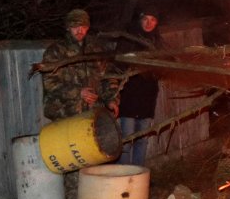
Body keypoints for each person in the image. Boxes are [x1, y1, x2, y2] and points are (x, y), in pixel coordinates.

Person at [40, 9, 119, 122]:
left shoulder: (96, 50)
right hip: (65, 113)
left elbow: (108, 76)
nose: (80, 30)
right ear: (68, 27)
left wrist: (111, 99)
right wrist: (78, 92)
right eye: (75, 26)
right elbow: (50, 84)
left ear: (88, 27)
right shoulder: (56, 51)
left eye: (83, 26)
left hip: (93, 113)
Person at [115, 9, 163, 166]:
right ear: (139, 20)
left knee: (142, 140)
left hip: (147, 99)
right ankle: (123, 175)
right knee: (127, 140)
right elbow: (119, 65)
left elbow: (163, 68)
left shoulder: (157, 41)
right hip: (129, 98)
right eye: (145, 19)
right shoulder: (128, 39)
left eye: (153, 20)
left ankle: (138, 175)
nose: (149, 23)